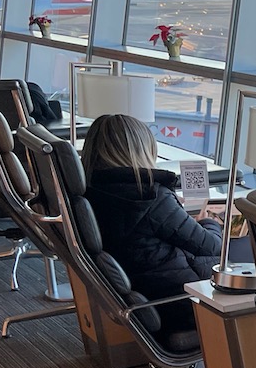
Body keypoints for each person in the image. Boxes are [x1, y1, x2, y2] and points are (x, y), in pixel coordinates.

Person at [81, 113, 221, 334]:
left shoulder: (89, 190)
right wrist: (209, 221)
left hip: (146, 292)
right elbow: (213, 246)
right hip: (181, 303)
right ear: (142, 150)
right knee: (245, 255)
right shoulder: (150, 197)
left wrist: (173, 209)